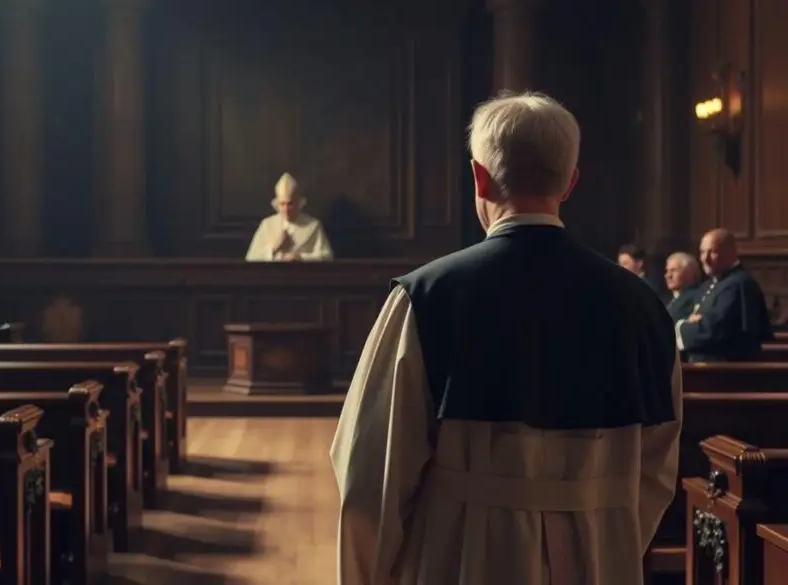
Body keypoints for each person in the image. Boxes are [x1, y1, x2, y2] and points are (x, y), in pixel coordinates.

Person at [330, 92, 681, 585]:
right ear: (570, 182)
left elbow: (372, 474)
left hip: (462, 556)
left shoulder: (428, 297)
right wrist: (603, 527)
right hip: (600, 555)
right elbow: (657, 468)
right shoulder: (644, 306)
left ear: (479, 176)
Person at [675, 228, 772, 361]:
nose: (705, 258)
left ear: (731, 252)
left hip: (725, 372)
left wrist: (683, 326)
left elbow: (714, 330)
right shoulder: (707, 285)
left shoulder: (739, 284)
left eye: (712, 252)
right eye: (702, 252)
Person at [245, 172, 334, 261]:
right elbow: (251, 258)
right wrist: (274, 248)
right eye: (282, 204)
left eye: (290, 204)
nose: (286, 209)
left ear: (298, 203)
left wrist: (300, 258)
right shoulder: (267, 225)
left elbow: (327, 257)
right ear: (277, 204)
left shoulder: (314, 225)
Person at [664, 251, 702, 321]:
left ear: (689, 273)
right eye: (667, 271)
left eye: (674, 270)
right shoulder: (669, 299)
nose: (668, 275)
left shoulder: (695, 297)